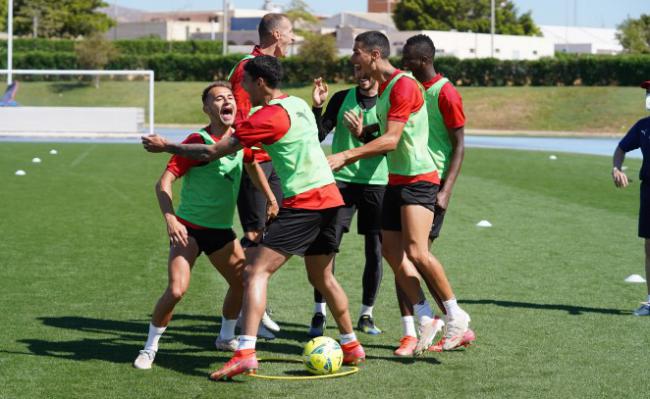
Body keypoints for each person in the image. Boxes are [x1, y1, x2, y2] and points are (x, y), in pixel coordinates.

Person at [142, 56, 365, 380]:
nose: (240, 89)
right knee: (323, 277)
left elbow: (210, 152)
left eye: (244, 83)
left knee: (253, 272)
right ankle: (351, 344)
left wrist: (165, 145)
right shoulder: (298, 103)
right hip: (332, 199)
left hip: (306, 202)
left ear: (259, 83)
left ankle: (245, 352)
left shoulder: (265, 117)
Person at [327, 31, 471, 355]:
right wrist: (362, 135)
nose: (353, 59)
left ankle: (456, 315)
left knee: (418, 253)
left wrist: (345, 155)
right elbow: (389, 138)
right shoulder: (386, 90)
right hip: (396, 180)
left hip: (420, 179)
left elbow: (392, 140)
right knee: (390, 251)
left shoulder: (404, 84)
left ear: (374, 55)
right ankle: (424, 315)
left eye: (356, 52)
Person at [133, 82, 279, 370]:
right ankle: (149, 348)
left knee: (242, 282)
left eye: (229, 97)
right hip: (187, 229)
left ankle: (225, 338)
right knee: (176, 290)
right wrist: (171, 218)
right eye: (217, 98)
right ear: (206, 108)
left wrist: (271, 197)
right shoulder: (195, 139)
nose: (226, 101)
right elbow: (163, 182)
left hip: (221, 232)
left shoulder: (239, 140)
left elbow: (251, 164)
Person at [391, 34, 475, 355]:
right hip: (408, 179)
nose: (403, 63)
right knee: (406, 258)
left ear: (424, 61)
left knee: (415, 258)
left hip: (430, 185)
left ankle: (444, 324)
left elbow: (460, 146)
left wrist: (447, 190)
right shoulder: (409, 88)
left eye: (408, 59)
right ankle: (421, 327)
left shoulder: (445, 93)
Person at [228, 12, 295, 334]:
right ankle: (248, 310)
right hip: (254, 164)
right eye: (291, 33)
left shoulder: (270, 69)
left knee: (278, 233)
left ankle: (252, 302)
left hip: (276, 162)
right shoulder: (246, 68)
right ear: (277, 35)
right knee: (255, 235)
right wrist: (252, 160)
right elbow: (240, 122)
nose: (294, 39)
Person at [307, 69, 387, 336]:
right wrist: (317, 107)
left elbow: (389, 143)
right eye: (356, 69)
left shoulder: (387, 101)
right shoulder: (342, 98)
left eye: (366, 69)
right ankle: (320, 312)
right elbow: (318, 135)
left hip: (377, 182)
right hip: (340, 181)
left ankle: (367, 314)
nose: (361, 74)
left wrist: (363, 134)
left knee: (375, 250)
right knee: (325, 246)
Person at [612, 80, 650, 316]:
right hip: (649, 190)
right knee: (649, 248)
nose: (648, 96)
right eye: (647, 92)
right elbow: (621, 148)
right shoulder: (643, 126)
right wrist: (616, 168)